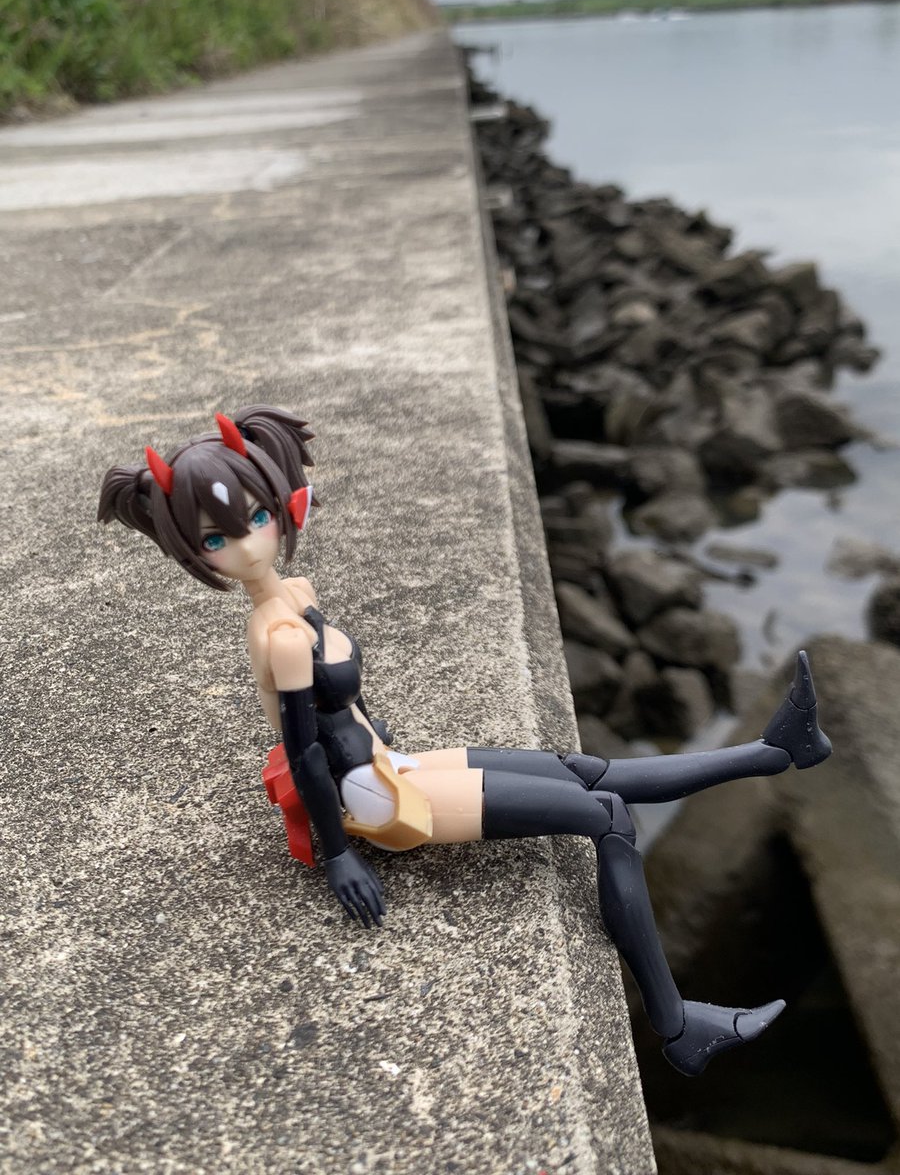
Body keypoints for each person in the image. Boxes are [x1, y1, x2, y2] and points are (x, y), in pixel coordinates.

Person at [98, 405, 832, 1075]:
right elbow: (305, 753)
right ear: (193, 552)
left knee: (582, 768)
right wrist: (341, 853)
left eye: (255, 517)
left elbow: (340, 711)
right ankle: (677, 1025)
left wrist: (380, 740)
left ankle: (772, 753)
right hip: (372, 796)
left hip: (385, 762)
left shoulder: (298, 596)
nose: (246, 544)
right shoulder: (282, 635)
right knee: (606, 816)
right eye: (216, 539)